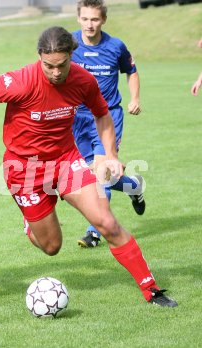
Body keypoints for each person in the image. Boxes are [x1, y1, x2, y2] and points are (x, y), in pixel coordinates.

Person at [0, 26, 177, 307]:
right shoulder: (20, 81)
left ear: (72, 56)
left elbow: (103, 115)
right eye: (49, 66)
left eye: (62, 65)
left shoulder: (83, 80)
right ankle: (31, 224)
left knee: (107, 222)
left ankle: (151, 290)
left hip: (65, 161)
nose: (56, 72)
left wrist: (110, 153)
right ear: (40, 57)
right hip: (23, 170)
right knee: (51, 247)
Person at [72, 0, 145, 248]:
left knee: (101, 175)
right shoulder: (68, 44)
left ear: (103, 20)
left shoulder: (116, 46)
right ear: (78, 19)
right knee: (88, 174)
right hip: (78, 118)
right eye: (85, 19)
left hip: (108, 118)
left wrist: (135, 97)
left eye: (94, 19)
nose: (90, 24)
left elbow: (131, 70)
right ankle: (134, 186)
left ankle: (94, 232)